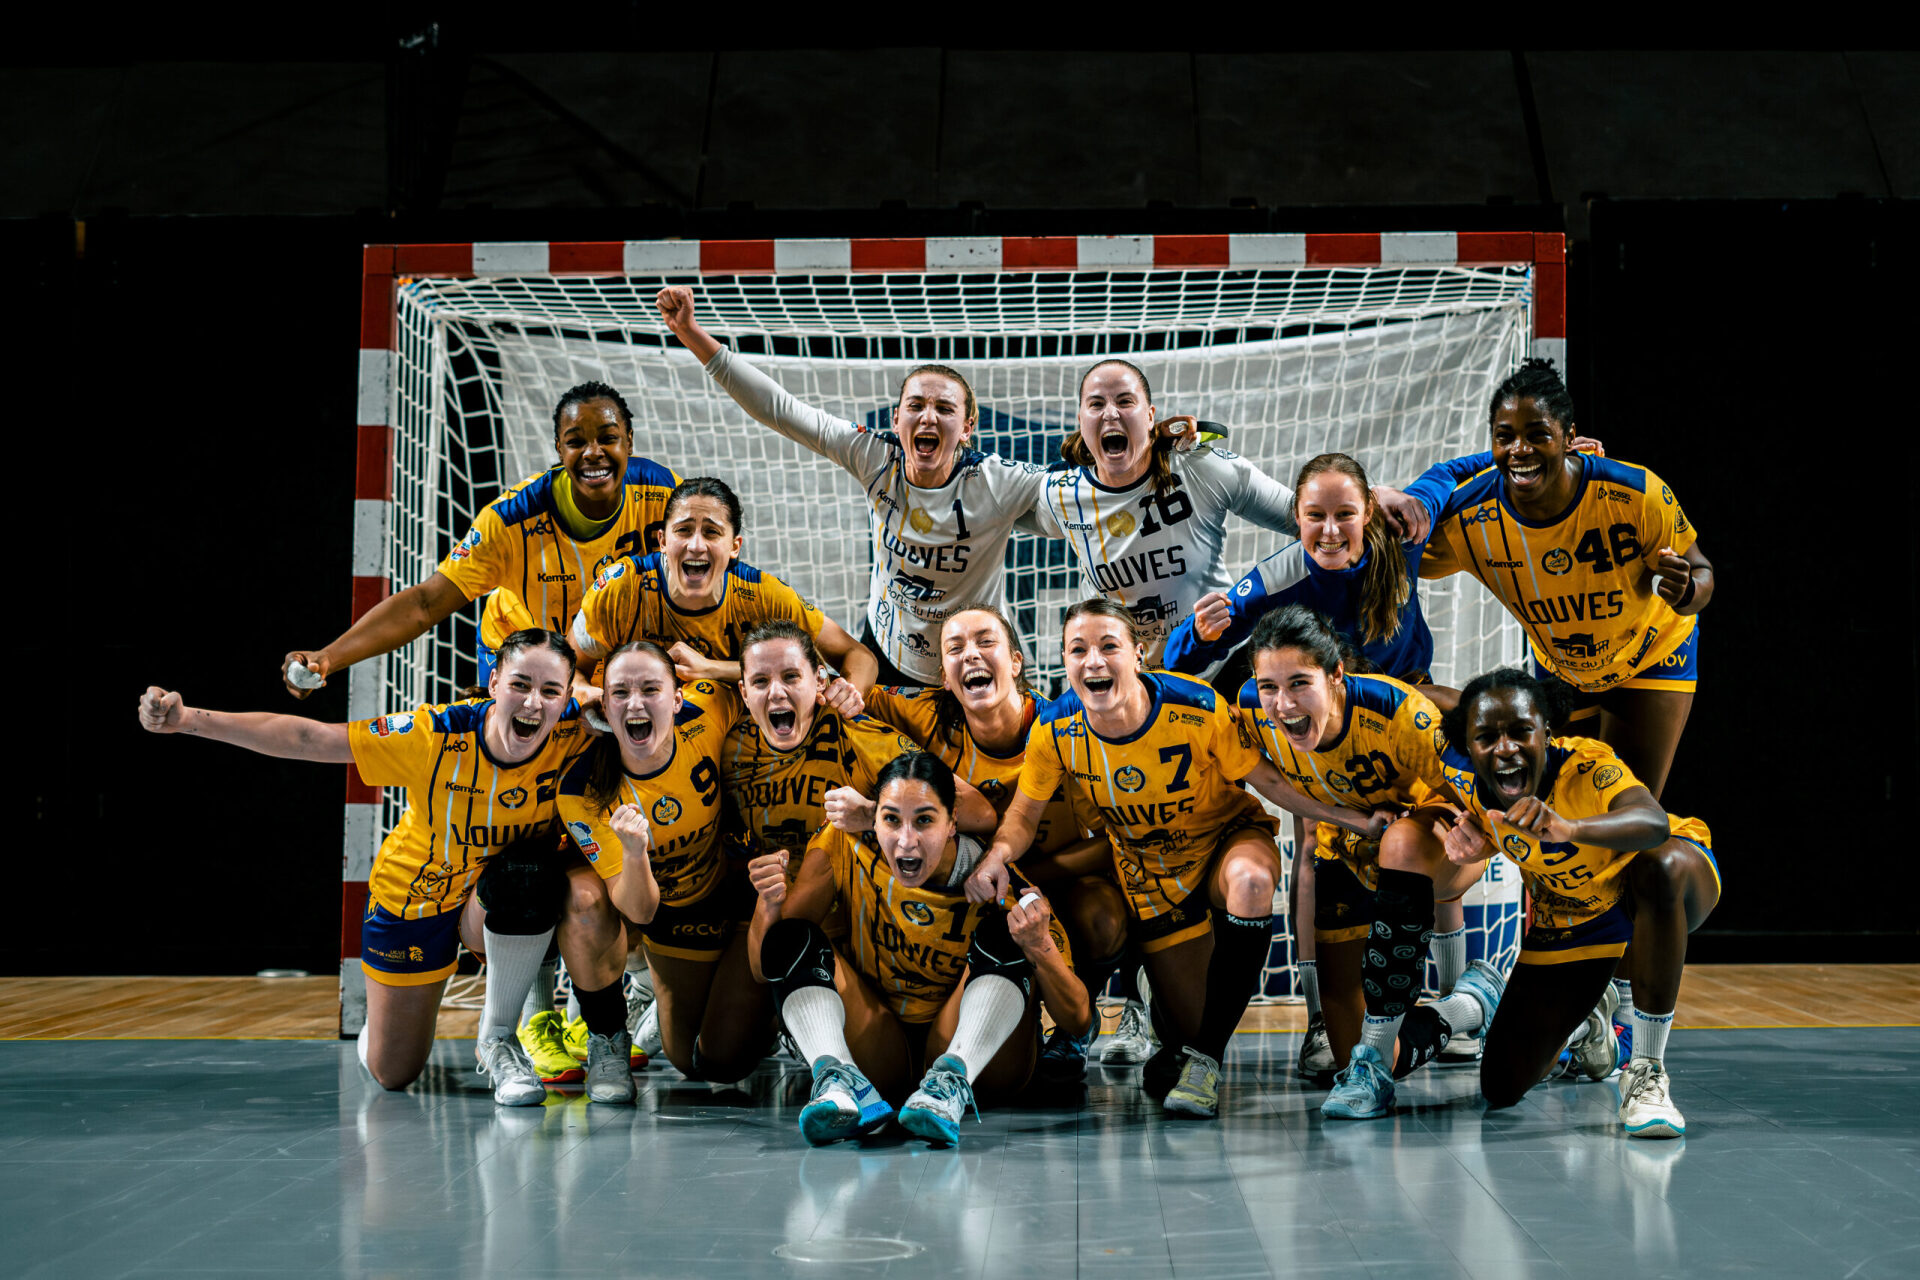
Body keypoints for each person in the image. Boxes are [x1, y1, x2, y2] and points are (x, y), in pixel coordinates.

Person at [141, 629, 599, 1106]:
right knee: (393, 1073)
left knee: (529, 877)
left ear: (567, 696)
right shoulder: (434, 733)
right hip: (414, 896)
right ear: (493, 680)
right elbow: (309, 737)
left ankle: (500, 1038)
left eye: (550, 691)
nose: (532, 704)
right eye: (520, 685)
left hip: (489, 901)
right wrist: (188, 720)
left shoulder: (576, 734)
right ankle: (380, 1034)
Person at [965, 599, 1367, 1119]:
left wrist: (1348, 816)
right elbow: (1022, 814)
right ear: (1063, 660)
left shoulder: (1196, 707)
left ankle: (1207, 1061)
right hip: (1151, 874)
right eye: (1078, 649)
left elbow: (1266, 781)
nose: (1094, 661)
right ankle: (1182, 1041)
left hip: (1225, 838)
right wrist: (997, 854)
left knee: (1248, 883)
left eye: (1109, 646)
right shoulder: (1055, 729)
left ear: (1138, 655)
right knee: (1180, 1038)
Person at [1162, 451, 1477, 1079]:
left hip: (1399, 709)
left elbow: (1451, 474)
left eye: (1344, 515)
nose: (1330, 530)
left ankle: (1456, 995)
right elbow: (1179, 664)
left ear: (1370, 512)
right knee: (1312, 838)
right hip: (1327, 725)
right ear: (1295, 519)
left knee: (1436, 827)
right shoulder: (1277, 576)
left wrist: (1538, 454)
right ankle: (1316, 1018)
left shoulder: (1401, 531)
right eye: (1314, 517)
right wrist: (1197, 634)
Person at [656, 286, 1051, 687]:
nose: (928, 417)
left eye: (945, 409)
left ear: (967, 429)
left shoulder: (998, 481)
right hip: (887, 652)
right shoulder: (875, 456)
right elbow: (782, 410)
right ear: (897, 420)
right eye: (916, 406)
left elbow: (1079, 497)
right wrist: (689, 332)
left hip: (974, 659)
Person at [1235, 605, 1505, 1120]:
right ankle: (1469, 1005)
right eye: (1269, 686)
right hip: (1350, 849)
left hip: (1438, 850)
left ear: (1337, 675)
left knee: (1399, 842)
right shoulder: (1250, 712)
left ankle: (1375, 1069)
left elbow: (1490, 793)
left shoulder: (1398, 712)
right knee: (1361, 1050)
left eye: (1299, 683)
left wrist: (1482, 839)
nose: (1283, 704)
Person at [1405, 359, 1712, 802]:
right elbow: (1393, 563)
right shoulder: (1470, 519)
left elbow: (1702, 570)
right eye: (1505, 436)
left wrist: (1687, 593)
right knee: (1560, 806)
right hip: (1563, 670)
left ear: (1569, 439)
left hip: (1652, 655)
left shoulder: (1634, 494)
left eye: (1537, 436)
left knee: (1625, 810)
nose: (1520, 450)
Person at [747, 752, 1091, 1146]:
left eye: (924, 820)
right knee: (792, 936)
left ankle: (951, 1080)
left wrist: (1040, 946)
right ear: (872, 819)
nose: (906, 841)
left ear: (952, 825)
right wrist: (766, 905)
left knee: (1005, 934)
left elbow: (1078, 1018)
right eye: (891, 819)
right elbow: (767, 966)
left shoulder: (993, 879)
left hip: (977, 1064)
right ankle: (839, 1078)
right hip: (880, 1049)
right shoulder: (843, 845)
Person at [1439, 668, 1720, 1138]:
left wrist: (1571, 829)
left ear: (1547, 731)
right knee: (1501, 1086)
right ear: (1468, 746)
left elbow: (1651, 820)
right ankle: (1590, 1024)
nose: (1505, 747)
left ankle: (1647, 1071)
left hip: (1650, 888)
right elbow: (1420, 700)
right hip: (1573, 918)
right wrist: (1465, 841)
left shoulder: (1587, 764)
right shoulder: (1463, 782)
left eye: (1520, 731)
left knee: (1660, 864)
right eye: (1486, 736)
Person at [863, 606, 1129, 1082]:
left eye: (985, 642)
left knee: (1104, 914)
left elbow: (1114, 844)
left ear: (1016, 660)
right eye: (955, 648)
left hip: (1050, 884)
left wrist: (1026, 878)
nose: (971, 656)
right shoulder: (923, 714)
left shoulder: (1065, 732)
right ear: (943, 677)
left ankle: (1073, 1031)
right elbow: (849, 682)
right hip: (966, 893)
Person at [1027, 360, 1433, 669]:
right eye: (1096, 404)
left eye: (1125, 401)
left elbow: (1309, 518)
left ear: (1150, 417)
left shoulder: (1201, 467)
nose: (1110, 414)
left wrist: (1372, 497)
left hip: (1223, 664)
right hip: (1125, 675)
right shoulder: (1058, 495)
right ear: (1081, 421)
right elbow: (995, 513)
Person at [282, 381, 678, 698]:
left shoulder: (664, 494)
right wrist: (329, 657)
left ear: (629, 440)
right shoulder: (509, 521)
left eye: (608, 438)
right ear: (559, 449)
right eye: (575, 442)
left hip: (606, 652)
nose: (593, 452)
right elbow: (424, 604)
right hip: (521, 650)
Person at [549, 640, 774, 1088]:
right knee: (695, 1062)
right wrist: (634, 853)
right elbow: (640, 912)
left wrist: (713, 667)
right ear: (603, 708)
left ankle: (780, 1015)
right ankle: (623, 1015)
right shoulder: (582, 789)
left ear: (677, 698)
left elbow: (768, 679)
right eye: (620, 693)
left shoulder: (707, 710)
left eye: (651, 689)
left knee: (731, 1054)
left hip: (732, 893)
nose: (636, 703)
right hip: (666, 916)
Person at [569, 476, 877, 703]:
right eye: (683, 530)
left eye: (712, 533)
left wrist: (850, 695)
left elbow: (858, 655)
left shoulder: (764, 596)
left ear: (734, 546)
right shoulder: (620, 588)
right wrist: (594, 698)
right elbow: (569, 668)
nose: (696, 545)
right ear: (663, 540)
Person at [721, 620, 998, 866]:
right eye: (760, 681)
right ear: (744, 693)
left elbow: (980, 813)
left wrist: (872, 814)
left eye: (791, 677)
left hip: (852, 907)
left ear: (819, 680)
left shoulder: (857, 735)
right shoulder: (728, 747)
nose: (777, 693)